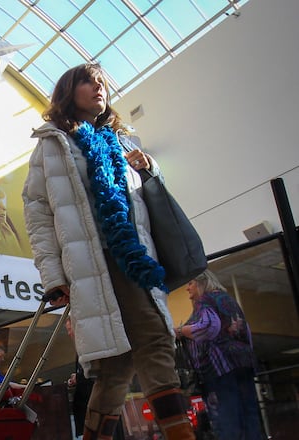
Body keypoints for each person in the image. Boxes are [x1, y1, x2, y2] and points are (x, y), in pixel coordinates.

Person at [22, 63, 194, 440]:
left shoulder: (121, 140)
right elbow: (37, 212)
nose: (99, 88)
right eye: (89, 82)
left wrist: (150, 168)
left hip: (134, 257)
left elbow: (145, 200)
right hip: (95, 263)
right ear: (69, 91)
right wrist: (52, 276)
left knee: (120, 364)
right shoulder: (52, 143)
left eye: (102, 83)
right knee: (150, 340)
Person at [174, 269, 262, 439]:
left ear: (202, 282)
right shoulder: (228, 299)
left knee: (227, 419)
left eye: (190, 283)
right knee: (249, 414)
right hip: (244, 362)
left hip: (220, 368)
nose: (187, 288)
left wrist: (181, 331)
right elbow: (246, 332)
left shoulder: (204, 300)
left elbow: (209, 327)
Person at [66, 320, 124, 440]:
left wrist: (79, 378)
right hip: (93, 411)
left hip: (100, 408)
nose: (69, 333)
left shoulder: (90, 346)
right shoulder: (82, 347)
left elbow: (99, 373)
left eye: (70, 329)